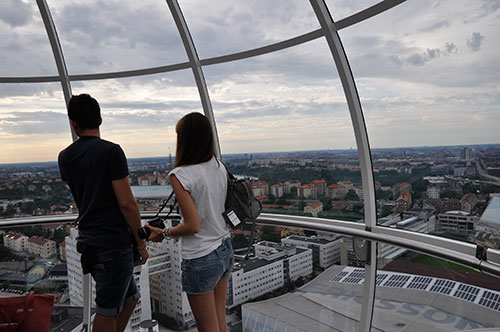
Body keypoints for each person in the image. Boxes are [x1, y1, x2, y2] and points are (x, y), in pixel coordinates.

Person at [58, 94, 149, 332]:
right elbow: (127, 203)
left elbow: (86, 195)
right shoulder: (111, 152)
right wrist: (140, 243)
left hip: (91, 241)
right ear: (100, 119)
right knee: (108, 310)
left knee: (130, 299)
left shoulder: (65, 157)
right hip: (113, 242)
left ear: (73, 124)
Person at [147, 112, 234, 332]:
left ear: (183, 139)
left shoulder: (180, 174)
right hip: (224, 249)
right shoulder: (218, 165)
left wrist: (163, 234)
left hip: (201, 257)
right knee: (220, 322)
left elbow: (192, 225)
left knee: (207, 328)